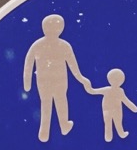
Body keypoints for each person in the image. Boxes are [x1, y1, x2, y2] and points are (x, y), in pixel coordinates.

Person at [20, 13, 91, 142]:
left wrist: (27, 84)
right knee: (59, 101)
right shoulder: (63, 45)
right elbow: (73, 67)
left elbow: (28, 65)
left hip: (46, 82)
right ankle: (63, 125)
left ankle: (45, 131)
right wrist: (81, 78)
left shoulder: (39, 45)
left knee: (47, 103)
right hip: (56, 82)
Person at [85, 68, 137, 142]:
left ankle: (118, 134)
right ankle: (111, 136)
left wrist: (134, 108)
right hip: (109, 110)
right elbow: (93, 91)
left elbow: (126, 101)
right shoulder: (109, 90)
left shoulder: (119, 91)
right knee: (109, 123)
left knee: (116, 122)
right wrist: (87, 85)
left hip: (116, 110)